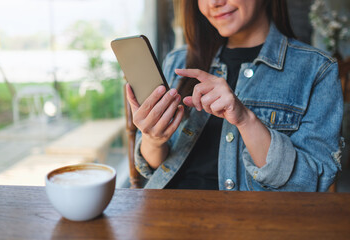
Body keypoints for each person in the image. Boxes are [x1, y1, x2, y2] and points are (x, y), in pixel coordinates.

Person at [125, 0, 343, 191]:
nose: (214, 2)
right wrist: (153, 139)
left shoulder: (317, 69)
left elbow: (311, 183)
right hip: (166, 212)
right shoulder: (179, 61)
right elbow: (153, 168)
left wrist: (246, 120)